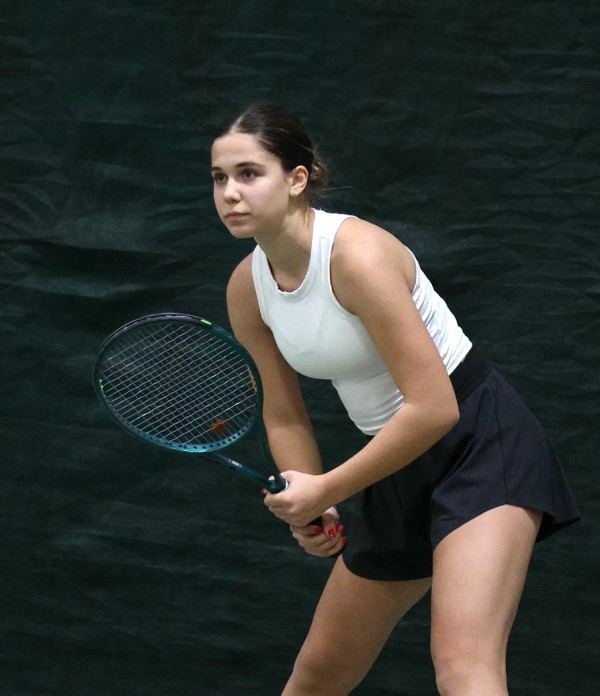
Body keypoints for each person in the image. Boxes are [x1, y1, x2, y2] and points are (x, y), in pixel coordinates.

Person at [210, 102, 580, 696]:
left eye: (249, 174)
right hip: (395, 461)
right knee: (318, 675)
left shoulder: (356, 255)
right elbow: (282, 412)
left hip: (480, 444)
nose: (230, 193)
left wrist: (327, 488)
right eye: (219, 178)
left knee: (463, 665)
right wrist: (312, 501)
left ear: (297, 179)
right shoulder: (246, 290)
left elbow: (436, 408)